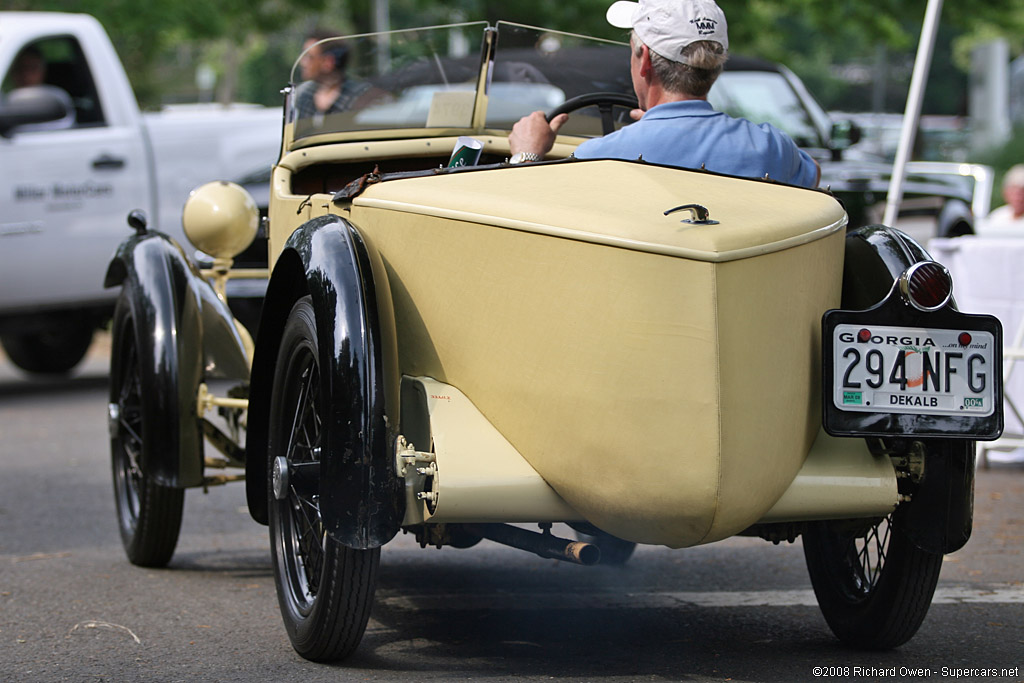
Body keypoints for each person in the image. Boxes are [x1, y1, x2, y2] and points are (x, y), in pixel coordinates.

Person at [508, 0, 820, 188]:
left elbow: (533, 228)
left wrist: (525, 156)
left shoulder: (597, 159)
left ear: (643, 59)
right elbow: (813, 175)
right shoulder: (772, 148)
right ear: (715, 66)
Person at [294, 29, 370, 126]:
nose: (303, 63)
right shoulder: (305, 94)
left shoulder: (358, 96)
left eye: (309, 57)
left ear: (328, 62)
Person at [978, 165, 1024, 236]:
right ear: (1006, 193)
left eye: (1022, 192)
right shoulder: (997, 217)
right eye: (1013, 192)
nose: (1018, 198)